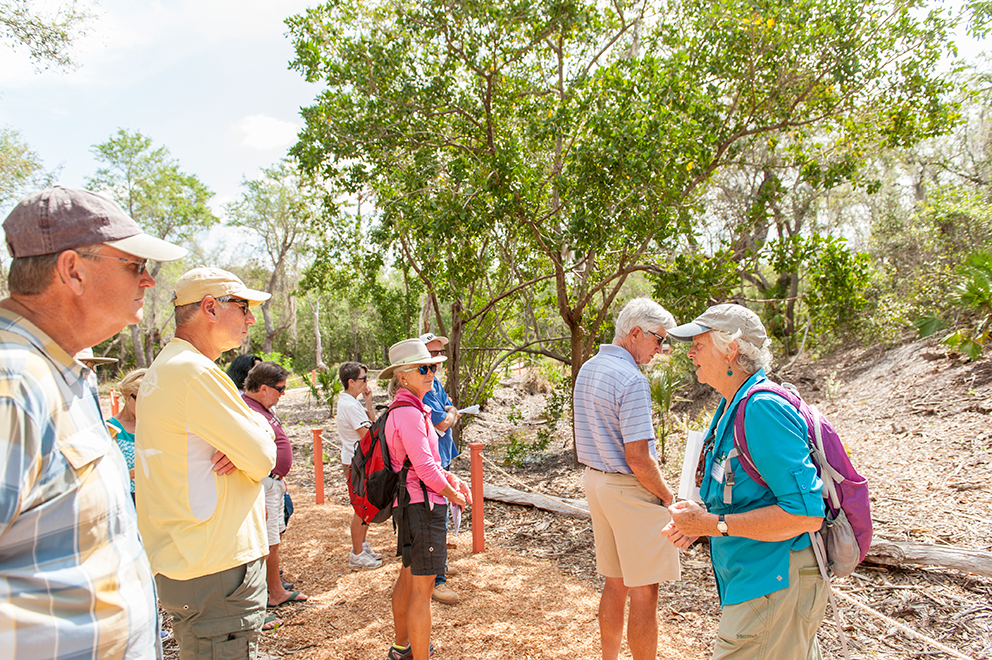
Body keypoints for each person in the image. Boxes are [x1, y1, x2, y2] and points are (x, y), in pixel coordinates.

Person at [0, 186, 186, 658]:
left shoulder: (59, 373)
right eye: (134, 265)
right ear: (72, 270)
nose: (147, 282)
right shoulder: (13, 385)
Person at [662, 303, 827, 659]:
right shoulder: (732, 406)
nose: (690, 353)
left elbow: (806, 515)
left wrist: (711, 524)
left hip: (773, 581)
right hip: (757, 583)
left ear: (730, 350)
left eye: (698, 343)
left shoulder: (760, 408)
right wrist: (701, 522)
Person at [135, 267, 278, 659]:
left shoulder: (167, 368)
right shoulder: (196, 373)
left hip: (190, 561)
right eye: (243, 306)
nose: (250, 318)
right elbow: (266, 456)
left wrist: (248, 443)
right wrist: (254, 439)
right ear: (210, 308)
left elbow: (254, 449)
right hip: (214, 569)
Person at [573, 297, 680, 660]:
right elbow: (638, 457)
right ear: (635, 333)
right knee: (645, 592)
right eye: (657, 339)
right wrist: (669, 498)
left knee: (615, 583)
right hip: (627, 489)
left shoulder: (589, 367)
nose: (660, 348)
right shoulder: (632, 379)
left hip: (595, 482)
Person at [381, 339, 472, 660]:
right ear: (403, 376)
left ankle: (401, 647)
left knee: (408, 579)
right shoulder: (408, 413)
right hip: (422, 506)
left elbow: (427, 463)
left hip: (413, 505)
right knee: (422, 591)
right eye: (424, 368)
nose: (432, 372)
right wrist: (453, 493)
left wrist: (450, 478)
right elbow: (423, 469)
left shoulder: (411, 408)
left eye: (433, 366)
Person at [241, 360, 308, 612]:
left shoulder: (260, 406)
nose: (283, 394)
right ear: (264, 388)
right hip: (263, 486)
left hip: (272, 483)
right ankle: (266, 596)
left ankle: (275, 589)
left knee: (273, 539)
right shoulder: (248, 409)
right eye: (280, 389)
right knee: (265, 542)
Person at [417, 332, 460, 605]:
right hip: (429, 463)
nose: (435, 361)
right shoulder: (420, 388)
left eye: (438, 356)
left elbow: (449, 409)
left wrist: (450, 413)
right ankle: (436, 580)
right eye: (430, 355)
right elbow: (442, 422)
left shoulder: (436, 383)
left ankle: (439, 567)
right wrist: (451, 415)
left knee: (441, 517)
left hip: (442, 457)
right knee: (433, 518)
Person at [336, 361, 384, 570]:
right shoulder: (348, 405)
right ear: (351, 382)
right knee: (361, 507)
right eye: (363, 379)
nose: (367, 382)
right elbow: (369, 435)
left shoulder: (352, 403)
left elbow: (370, 421)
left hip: (360, 461)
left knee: (366, 506)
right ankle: (356, 554)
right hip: (357, 463)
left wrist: (369, 402)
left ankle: (362, 546)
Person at [108, 368, 147, 501]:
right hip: (125, 499)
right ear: (128, 396)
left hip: (152, 498)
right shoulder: (111, 428)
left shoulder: (153, 425)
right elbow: (104, 473)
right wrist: (132, 473)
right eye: (141, 399)